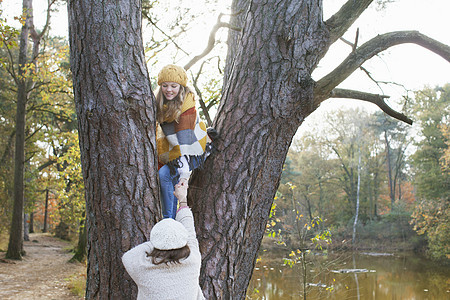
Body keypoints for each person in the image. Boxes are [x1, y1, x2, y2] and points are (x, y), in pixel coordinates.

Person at [122, 184, 205, 300]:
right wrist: (182, 199)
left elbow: (127, 257)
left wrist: (157, 240)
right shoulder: (193, 260)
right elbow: (189, 230)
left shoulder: (143, 268)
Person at [155, 64, 209, 219]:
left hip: (192, 150)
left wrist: (184, 177)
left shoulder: (187, 108)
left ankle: (168, 220)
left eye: (174, 86)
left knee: (165, 174)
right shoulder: (161, 105)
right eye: (164, 86)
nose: (169, 90)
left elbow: (184, 145)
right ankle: (169, 218)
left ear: (181, 86)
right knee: (166, 176)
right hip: (174, 150)